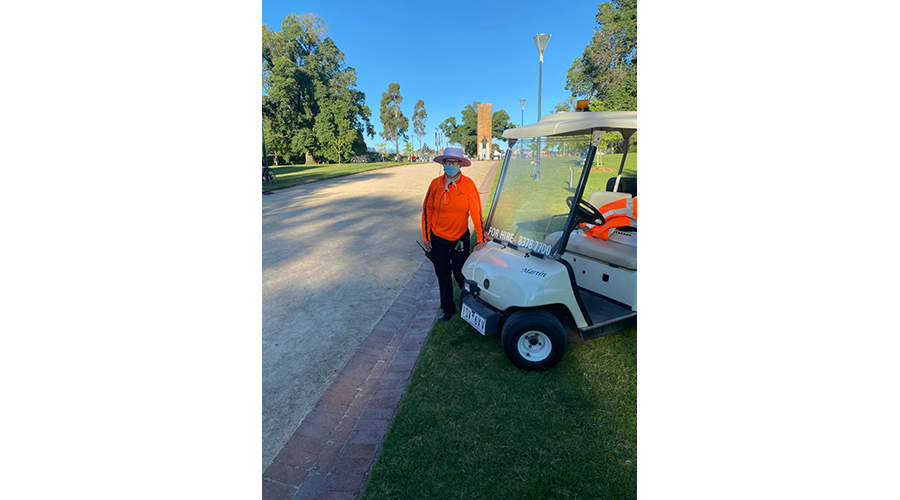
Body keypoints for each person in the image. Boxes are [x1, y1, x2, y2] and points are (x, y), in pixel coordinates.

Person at [422, 147, 488, 322]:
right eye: (447, 162)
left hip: (459, 238)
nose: (451, 166)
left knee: (461, 273)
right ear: (443, 164)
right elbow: (427, 210)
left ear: (460, 164)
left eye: (454, 162)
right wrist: (426, 237)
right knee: (442, 274)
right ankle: (447, 308)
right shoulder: (435, 184)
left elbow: (476, 212)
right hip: (438, 238)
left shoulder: (468, 185)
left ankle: (469, 303)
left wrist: (481, 238)